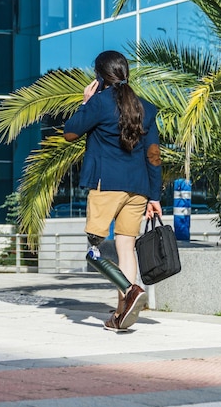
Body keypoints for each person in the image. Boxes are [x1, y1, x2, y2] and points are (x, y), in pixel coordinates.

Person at [63, 50, 162, 332]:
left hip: (106, 186)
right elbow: (153, 156)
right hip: (138, 189)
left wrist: (86, 103)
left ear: (99, 76)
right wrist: (154, 196)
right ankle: (121, 314)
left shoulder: (99, 103)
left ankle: (131, 291)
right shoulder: (146, 108)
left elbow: (70, 132)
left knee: (94, 251)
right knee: (125, 247)